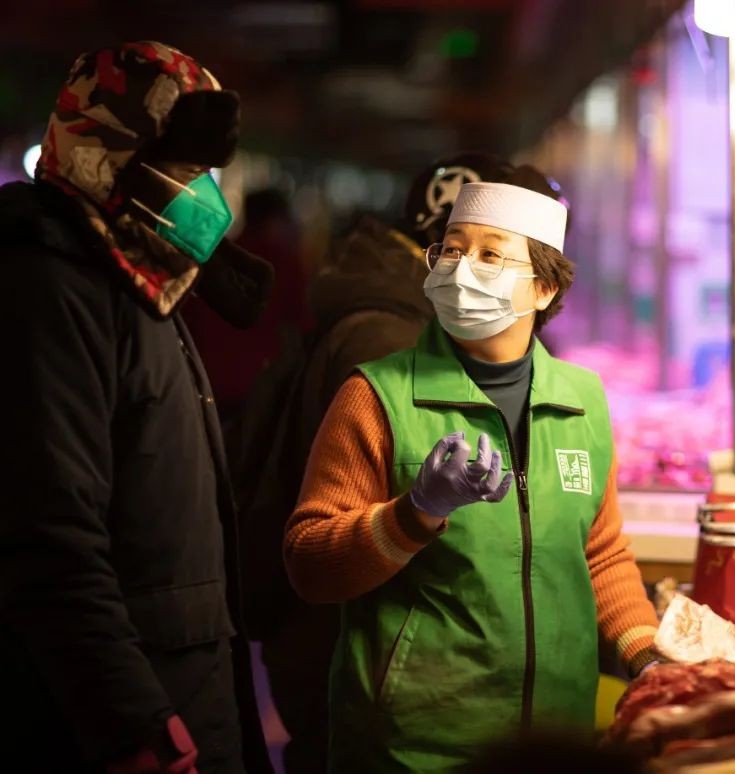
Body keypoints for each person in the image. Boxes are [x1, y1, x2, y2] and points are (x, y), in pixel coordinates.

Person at [284, 179, 659, 772]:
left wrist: (647, 657)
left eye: (490, 253)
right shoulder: (376, 395)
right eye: (452, 249)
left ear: (543, 287)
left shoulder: (582, 400)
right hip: (415, 746)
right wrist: (415, 512)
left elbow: (601, 554)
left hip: (552, 744)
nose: (462, 268)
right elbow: (308, 564)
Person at [0, 42, 274, 773]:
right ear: (111, 150)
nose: (200, 192)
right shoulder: (50, 290)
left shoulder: (136, 268)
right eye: (184, 169)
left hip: (186, 687)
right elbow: (49, 535)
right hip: (135, 724)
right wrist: (132, 724)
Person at [251, 153, 559, 774]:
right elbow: (321, 542)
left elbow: (598, 552)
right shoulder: (389, 347)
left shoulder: (568, 391)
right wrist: (421, 510)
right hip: (356, 664)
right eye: (473, 250)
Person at [184, 187, 311, 424]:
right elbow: (303, 325)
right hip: (257, 389)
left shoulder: (217, 260)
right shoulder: (282, 265)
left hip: (206, 384)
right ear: (275, 221)